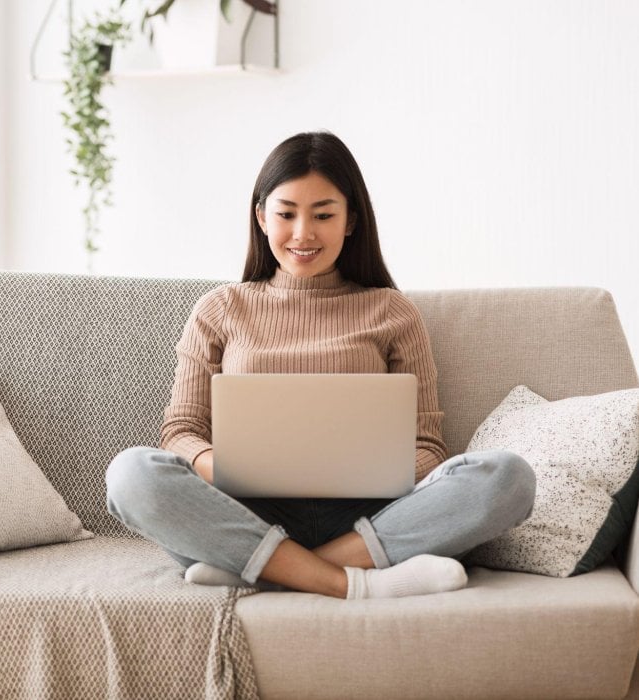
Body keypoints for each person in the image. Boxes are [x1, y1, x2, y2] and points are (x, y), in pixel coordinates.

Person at [105, 130, 536, 600]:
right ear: (261, 219)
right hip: (246, 513)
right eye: (286, 214)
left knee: (508, 477)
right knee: (132, 474)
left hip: (369, 517)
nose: (303, 233)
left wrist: (374, 469)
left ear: (350, 220)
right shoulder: (220, 308)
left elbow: (428, 447)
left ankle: (267, 570)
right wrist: (229, 467)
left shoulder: (392, 311)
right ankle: (356, 582)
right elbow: (181, 432)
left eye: (323, 215)